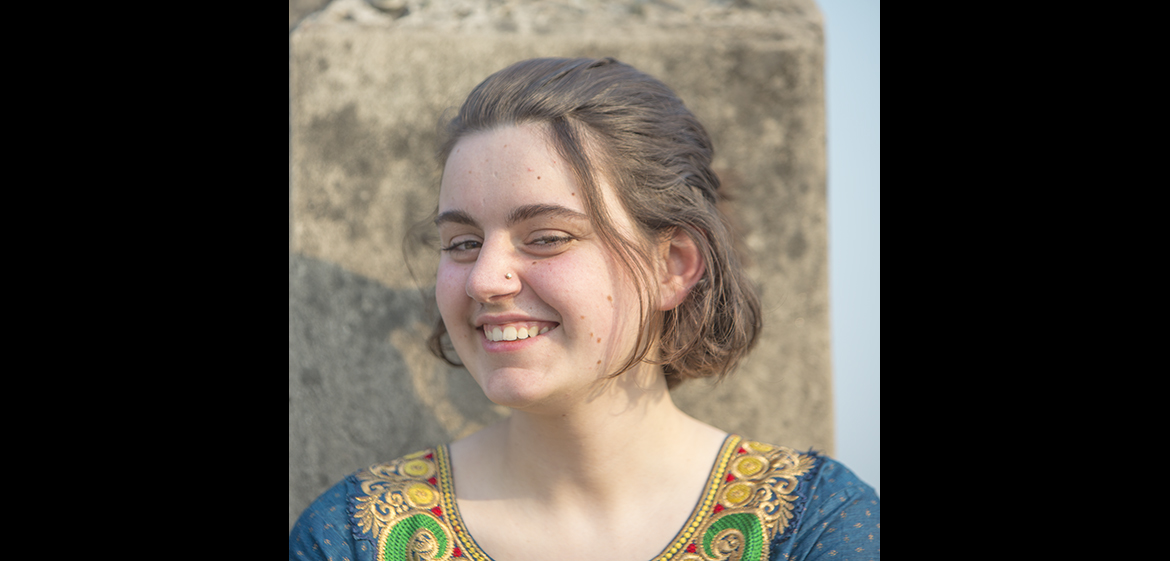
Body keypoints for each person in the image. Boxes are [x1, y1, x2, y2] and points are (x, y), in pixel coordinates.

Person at [290, 57, 880, 561]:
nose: (485, 280)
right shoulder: (357, 536)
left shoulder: (812, 526)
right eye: (463, 243)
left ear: (673, 266)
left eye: (547, 237)